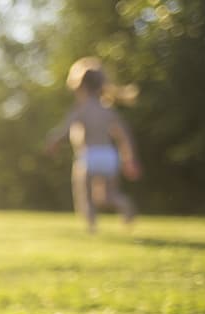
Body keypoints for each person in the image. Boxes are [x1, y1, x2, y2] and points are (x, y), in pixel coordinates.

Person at [45, 58, 141, 233]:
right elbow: (123, 135)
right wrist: (129, 158)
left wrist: (54, 141)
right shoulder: (108, 110)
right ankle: (125, 205)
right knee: (109, 195)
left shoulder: (81, 109)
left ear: (80, 87)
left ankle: (91, 226)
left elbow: (64, 129)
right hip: (109, 156)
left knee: (86, 195)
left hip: (89, 155)